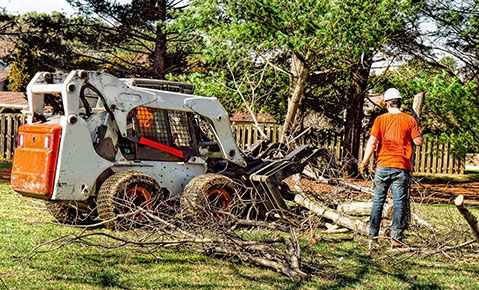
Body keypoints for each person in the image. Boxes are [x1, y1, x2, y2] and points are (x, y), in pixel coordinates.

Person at [360, 88, 423, 249]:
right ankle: (396, 238)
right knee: (399, 202)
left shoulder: (380, 120)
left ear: (387, 103)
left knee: (378, 201)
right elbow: (418, 142)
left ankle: (372, 236)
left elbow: (372, 143)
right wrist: (416, 131)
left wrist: (364, 162)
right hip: (401, 166)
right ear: (399, 102)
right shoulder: (409, 120)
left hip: (382, 165)